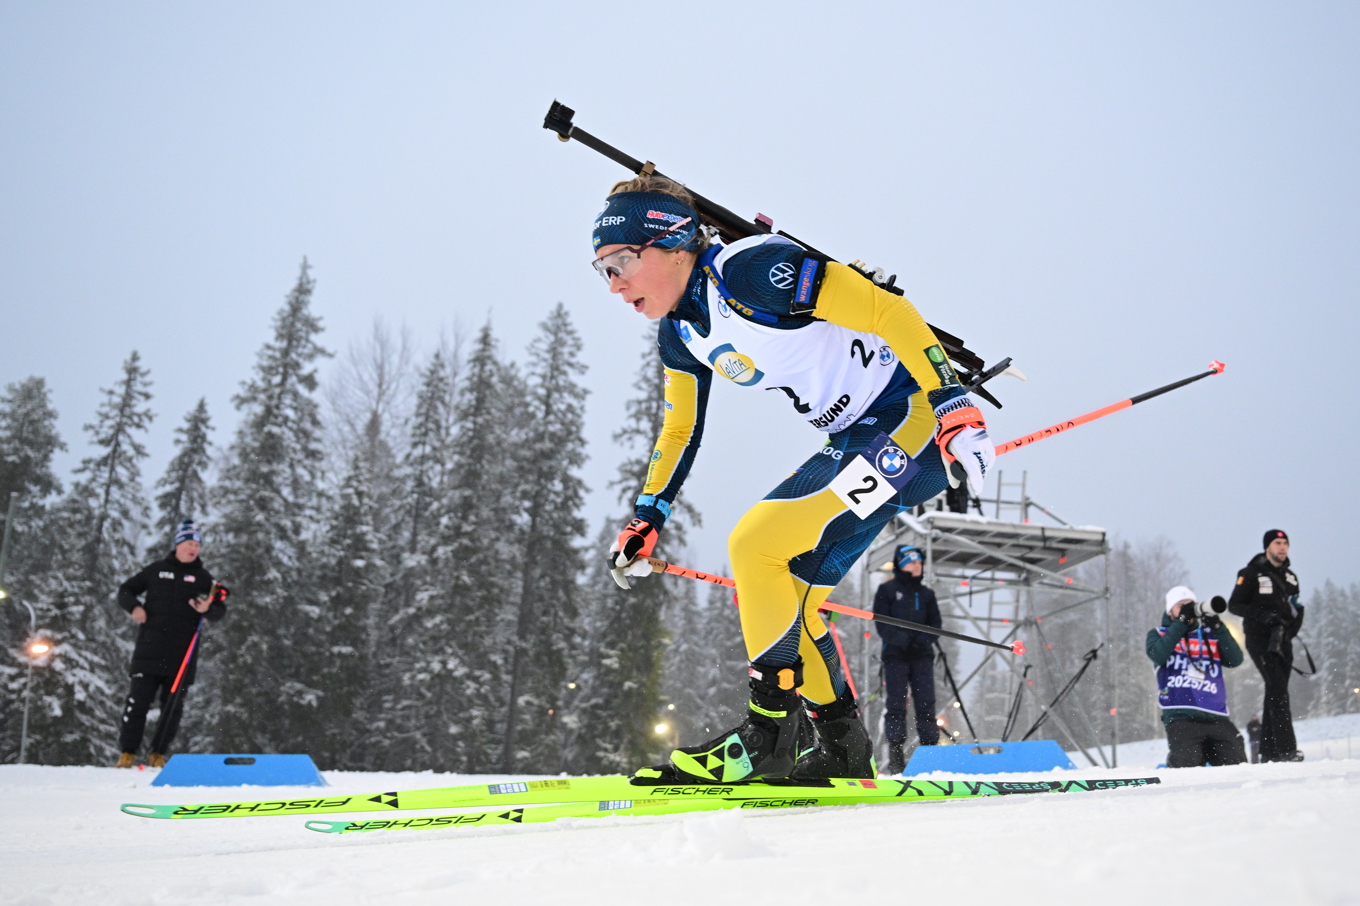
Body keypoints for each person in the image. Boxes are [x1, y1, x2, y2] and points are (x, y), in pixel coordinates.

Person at [595, 177, 995, 782]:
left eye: (622, 261)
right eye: (601, 270)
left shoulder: (753, 271)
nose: (614, 283)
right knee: (793, 595)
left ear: (674, 243)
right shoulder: (680, 332)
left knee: (756, 543)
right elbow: (679, 429)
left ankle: (769, 733)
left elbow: (887, 310)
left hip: (909, 420)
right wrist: (648, 517)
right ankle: (841, 744)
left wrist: (951, 401)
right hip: (858, 437)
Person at [113, 519, 227, 767]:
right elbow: (125, 590)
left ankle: (158, 754)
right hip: (149, 650)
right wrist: (134, 607)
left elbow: (219, 610)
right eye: (188, 543)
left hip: (182, 655)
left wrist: (208, 608)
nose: (193, 548)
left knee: (172, 707)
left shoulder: (204, 579)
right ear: (177, 545)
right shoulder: (155, 570)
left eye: (197, 544)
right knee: (137, 702)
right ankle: (128, 753)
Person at [1146, 586, 1246, 768]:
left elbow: (1235, 659)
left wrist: (1217, 626)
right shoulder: (1159, 634)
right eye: (1180, 605)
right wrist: (1181, 624)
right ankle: (1174, 764)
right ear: (1170, 611)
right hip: (1180, 713)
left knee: (1236, 763)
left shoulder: (1210, 635)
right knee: (1187, 763)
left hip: (1216, 714)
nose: (1186, 608)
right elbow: (1158, 655)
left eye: (1189, 604)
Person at [1227, 529, 1305, 762]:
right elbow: (1234, 605)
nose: (1282, 547)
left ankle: (1269, 752)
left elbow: (1298, 608)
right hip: (1260, 640)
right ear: (1267, 547)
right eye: (1277, 543)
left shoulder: (1290, 577)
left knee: (1275, 691)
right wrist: (1263, 617)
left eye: (1285, 543)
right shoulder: (1250, 573)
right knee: (1278, 689)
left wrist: (1289, 631)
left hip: (1283, 641)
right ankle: (1287, 749)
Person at [873, 545, 942, 774]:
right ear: (902, 564)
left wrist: (920, 642)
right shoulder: (887, 590)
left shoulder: (927, 594)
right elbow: (882, 623)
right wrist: (903, 641)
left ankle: (930, 754)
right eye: (912, 562)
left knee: (926, 704)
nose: (917, 566)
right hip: (896, 656)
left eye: (920, 562)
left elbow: (935, 625)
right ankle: (895, 756)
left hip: (921, 657)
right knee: (896, 704)